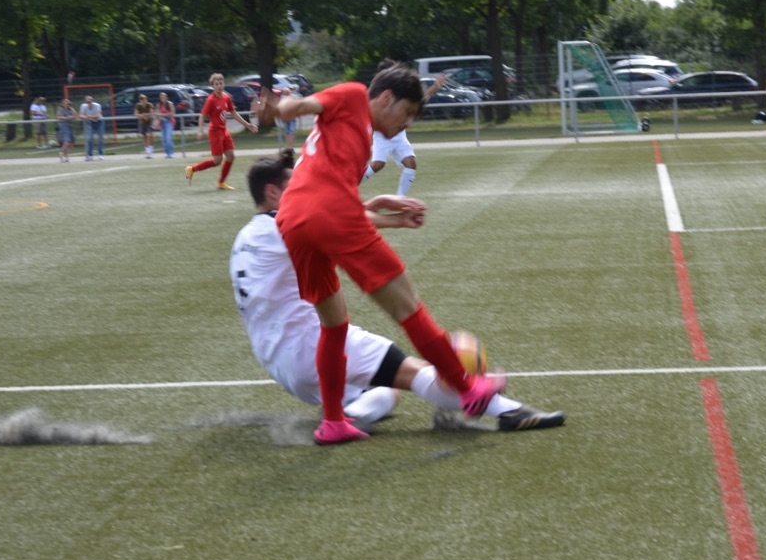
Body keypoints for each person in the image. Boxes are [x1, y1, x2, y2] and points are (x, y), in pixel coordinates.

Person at [231, 151, 565, 434]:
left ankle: (349, 415)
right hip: (308, 345)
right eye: (294, 188)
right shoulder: (284, 228)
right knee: (419, 373)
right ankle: (507, 411)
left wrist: (375, 208)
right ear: (272, 192)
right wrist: (394, 219)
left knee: (387, 393)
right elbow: (331, 223)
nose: (302, 196)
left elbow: (328, 220)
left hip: (278, 362)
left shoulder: (245, 238)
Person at [261, 65, 507, 445]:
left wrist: (389, 216)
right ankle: (468, 390)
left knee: (334, 325)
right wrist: (280, 108)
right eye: (406, 113)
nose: (406, 124)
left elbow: (329, 205)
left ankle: (333, 422)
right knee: (409, 307)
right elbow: (300, 107)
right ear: (386, 98)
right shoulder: (353, 95)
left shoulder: (358, 136)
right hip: (324, 215)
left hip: (293, 222)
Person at [362, 59, 446, 196]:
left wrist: (435, 87)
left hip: (399, 137)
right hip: (383, 136)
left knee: (411, 163)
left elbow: (420, 100)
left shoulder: (402, 94)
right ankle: (352, 183)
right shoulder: (382, 96)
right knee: (378, 164)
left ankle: (401, 198)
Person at [185, 73, 258, 190]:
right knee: (217, 161)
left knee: (231, 156)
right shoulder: (210, 100)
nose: (219, 86)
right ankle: (192, 169)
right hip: (215, 132)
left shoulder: (226, 97)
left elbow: (233, 113)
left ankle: (221, 182)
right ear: (213, 86)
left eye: (221, 83)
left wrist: (247, 124)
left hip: (224, 131)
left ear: (223, 84)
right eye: (216, 84)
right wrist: (200, 130)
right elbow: (202, 115)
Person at [79, 95, 105, 160]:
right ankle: (90, 155)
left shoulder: (97, 105)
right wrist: (86, 117)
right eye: (87, 102)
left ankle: (101, 154)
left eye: (90, 102)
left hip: (99, 122)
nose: (88, 103)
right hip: (90, 123)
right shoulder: (83, 106)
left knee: (101, 138)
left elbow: (98, 115)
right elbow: (80, 115)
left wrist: (89, 116)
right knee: (89, 138)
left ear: (92, 101)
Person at [135, 93, 155, 158]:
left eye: (144, 99)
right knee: (144, 137)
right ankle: (147, 151)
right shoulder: (138, 105)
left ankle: (150, 150)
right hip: (142, 122)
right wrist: (142, 116)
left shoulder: (149, 105)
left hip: (149, 122)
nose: (143, 101)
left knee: (149, 135)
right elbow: (136, 114)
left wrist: (146, 115)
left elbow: (152, 113)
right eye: (141, 99)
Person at [156, 92, 176, 158]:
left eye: (164, 97)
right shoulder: (159, 104)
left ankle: (171, 153)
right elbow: (157, 113)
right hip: (162, 122)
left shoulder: (170, 103)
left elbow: (172, 113)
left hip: (169, 121)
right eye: (161, 97)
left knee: (168, 138)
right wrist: (158, 119)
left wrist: (162, 115)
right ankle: (167, 153)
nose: (163, 98)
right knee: (163, 139)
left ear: (167, 97)